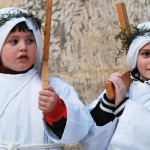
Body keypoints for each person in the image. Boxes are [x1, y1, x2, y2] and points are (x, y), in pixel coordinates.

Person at [0, 7, 93, 150]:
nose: (23, 47)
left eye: (30, 40)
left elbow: (81, 129)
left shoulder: (52, 87)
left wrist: (56, 110)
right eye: (14, 41)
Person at [80, 22, 150, 150]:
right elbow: (90, 140)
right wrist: (108, 103)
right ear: (135, 58)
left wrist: (123, 106)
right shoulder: (125, 88)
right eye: (146, 54)